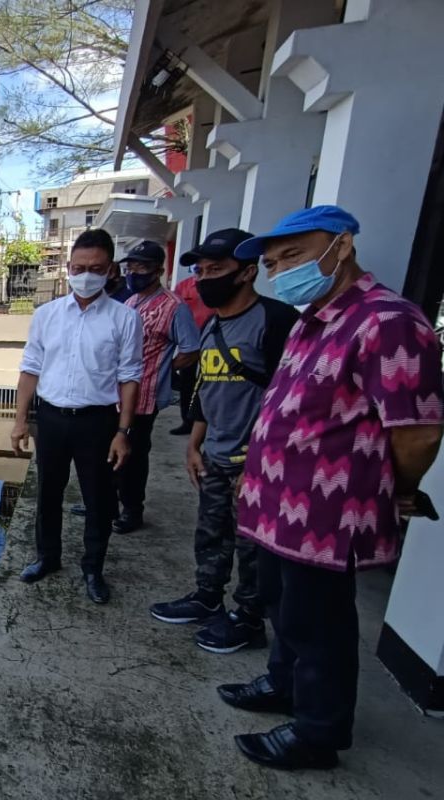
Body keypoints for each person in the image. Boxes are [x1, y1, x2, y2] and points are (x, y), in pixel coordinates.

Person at [216, 206, 443, 770]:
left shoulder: (387, 321)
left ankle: (317, 733)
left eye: (293, 255)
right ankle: (282, 685)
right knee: (281, 604)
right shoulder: (314, 317)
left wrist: (401, 489)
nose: (280, 270)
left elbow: (418, 431)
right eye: (272, 263)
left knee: (319, 624)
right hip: (276, 504)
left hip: (327, 512)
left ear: (341, 245)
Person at [148, 229, 299, 655]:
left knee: (253, 549)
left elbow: (290, 398)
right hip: (215, 453)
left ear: (247, 272)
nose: (204, 279)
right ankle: (206, 595)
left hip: (255, 461)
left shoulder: (277, 321)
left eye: (217, 270)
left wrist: (259, 459)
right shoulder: (214, 323)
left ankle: (249, 619)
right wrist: (195, 443)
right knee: (212, 532)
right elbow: (202, 389)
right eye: (200, 271)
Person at [11, 229, 143, 604]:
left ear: (110, 270)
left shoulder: (124, 318)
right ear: (68, 267)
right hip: (51, 418)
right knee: (47, 494)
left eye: (96, 268)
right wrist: (21, 420)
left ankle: (92, 569)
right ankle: (47, 558)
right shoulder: (46, 315)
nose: (86, 275)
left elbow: (130, 377)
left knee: (98, 499)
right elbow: (30, 369)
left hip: (97, 421)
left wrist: (123, 431)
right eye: (79, 267)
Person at [113, 241, 200, 533]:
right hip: (115, 393)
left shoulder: (174, 307)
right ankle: (108, 502)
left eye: (142, 267)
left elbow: (191, 349)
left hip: (145, 396)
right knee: (109, 451)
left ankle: (132, 510)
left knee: (134, 456)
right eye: (131, 266)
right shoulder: (130, 301)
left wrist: (163, 370)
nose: (134, 272)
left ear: (159, 270)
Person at [170, 273, 213, 434]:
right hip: (190, 342)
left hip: (212, 338)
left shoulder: (214, 284)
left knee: (208, 383)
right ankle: (186, 421)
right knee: (187, 383)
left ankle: (205, 423)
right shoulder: (184, 286)